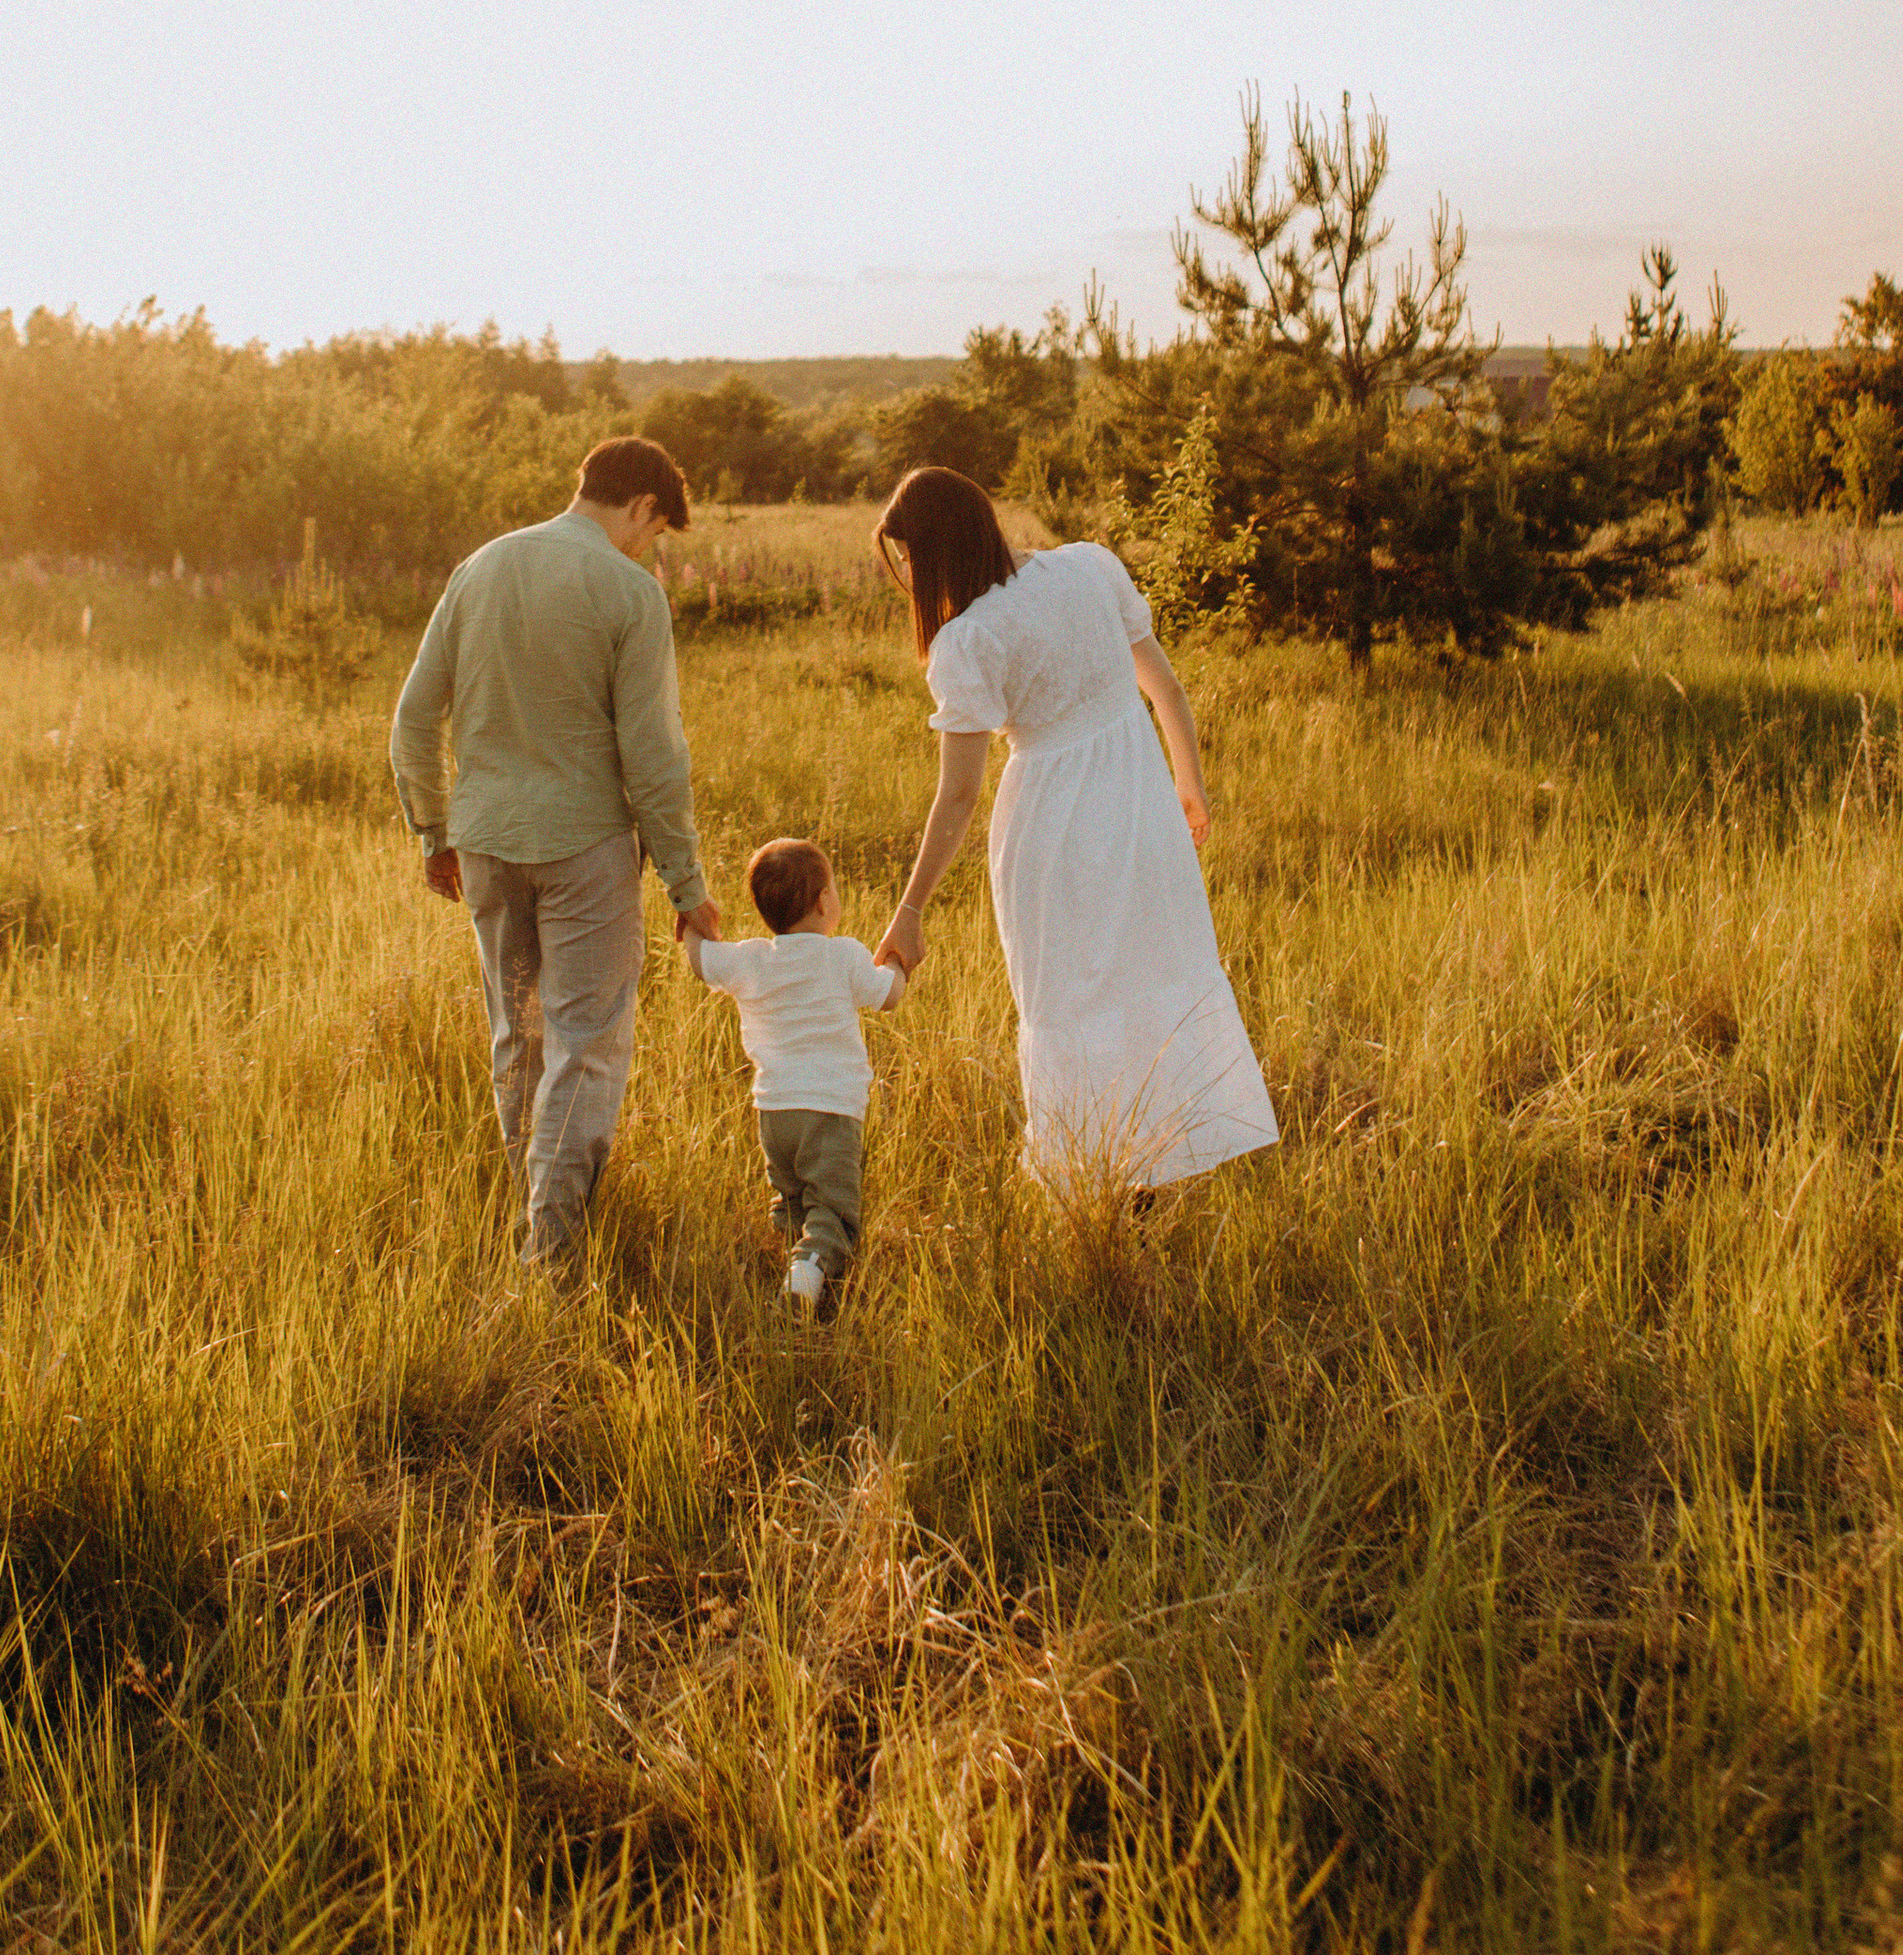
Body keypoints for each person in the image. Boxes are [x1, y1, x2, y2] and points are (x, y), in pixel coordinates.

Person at [872, 466, 1276, 1194]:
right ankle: (1151, 1169)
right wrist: (1188, 784)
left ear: (933, 552)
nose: (909, 578)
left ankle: (1099, 1181)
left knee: (1071, 999)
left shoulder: (969, 638)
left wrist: (910, 909)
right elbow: (1167, 687)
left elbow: (959, 793)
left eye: (910, 559)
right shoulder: (1091, 565)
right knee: (1153, 972)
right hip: (1140, 803)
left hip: (1051, 830)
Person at [390, 436, 722, 1265]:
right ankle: (553, 1249)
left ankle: (532, 1214)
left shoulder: (481, 568)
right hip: (586, 851)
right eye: (654, 533)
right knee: (589, 1043)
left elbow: (411, 720)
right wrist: (688, 885)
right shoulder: (630, 592)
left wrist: (435, 833)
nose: (649, 550)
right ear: (643, 506)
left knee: (520, 1036)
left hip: (487, 846)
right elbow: (654, 757)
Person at [680, 835, 908, 1305]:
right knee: (833, 1208)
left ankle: (794, 1265)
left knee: (792, 1200)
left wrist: (692, 921)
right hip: (830, 1110)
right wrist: (900, 961)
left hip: (774, 1110)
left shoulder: (750, 959)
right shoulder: (843, 955)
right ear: (825, 901)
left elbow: (700, 960)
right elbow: (889, 995)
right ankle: (810, 1273)